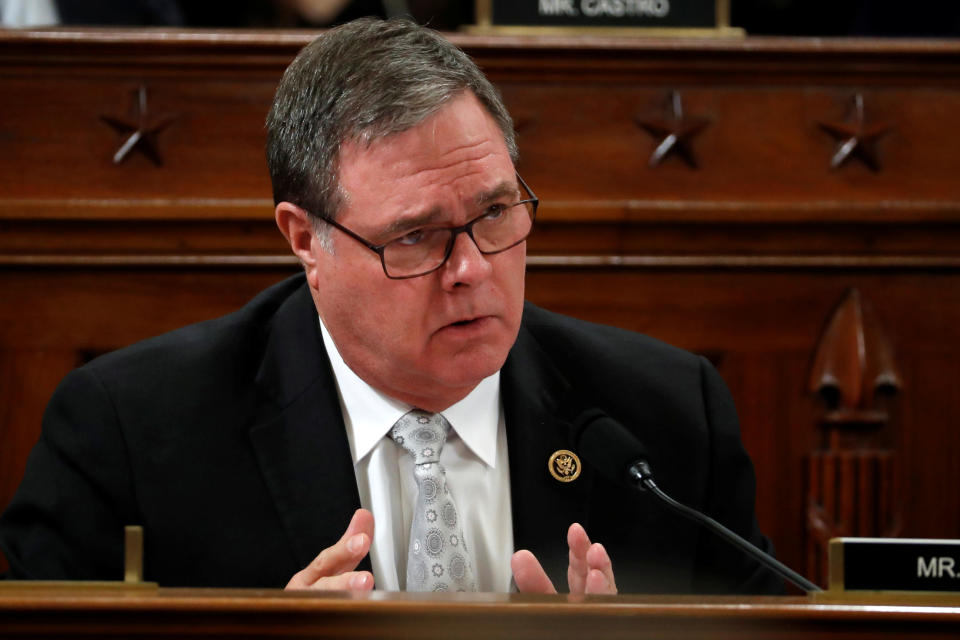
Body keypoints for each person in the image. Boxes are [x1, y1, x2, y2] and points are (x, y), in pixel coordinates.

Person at [0, 18, 782, 595]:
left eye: (497, 214)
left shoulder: (669, 419)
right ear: (305, 239)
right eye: (415, 237)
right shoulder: (130, 434)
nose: (472, 268)